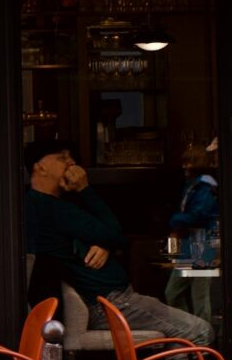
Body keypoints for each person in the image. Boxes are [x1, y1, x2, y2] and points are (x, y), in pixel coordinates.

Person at [23, 138, 211, 344]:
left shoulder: (54, 203)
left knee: (177, 330)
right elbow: (115, 235)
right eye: (62, 158)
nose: (71, 163)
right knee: (201, 331)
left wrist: (104, 244)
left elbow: (107, 235)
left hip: (112, 300)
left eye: (71, 158)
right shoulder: (50, 209)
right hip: (110, 302)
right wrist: (85, 190)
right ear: (40, 167)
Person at [169, 140, 220, 268]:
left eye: (188, 163)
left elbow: (198, 215)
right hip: (190, 246)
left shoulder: (205, 186)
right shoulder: (192, 185)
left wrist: (174, 220)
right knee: (176, 286)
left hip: (204, 247)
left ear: (198, 164)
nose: (184, 166)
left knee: (199, 285)